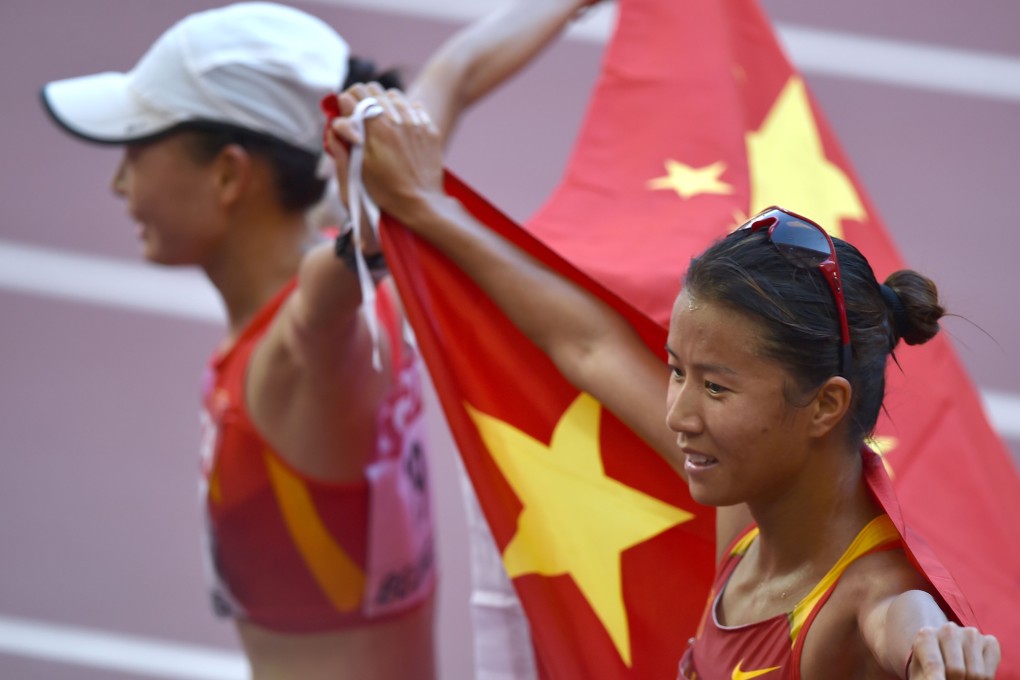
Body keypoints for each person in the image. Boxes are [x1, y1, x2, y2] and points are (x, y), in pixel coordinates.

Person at [326, 87, 1002, 679]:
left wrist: (939, 652)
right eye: (677, 371)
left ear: (826, 404)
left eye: (714, 387)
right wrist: (421, 206)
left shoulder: (869, 601)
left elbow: (912, 627)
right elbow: (585, 343)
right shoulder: (748, 509)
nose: (677, 412)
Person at [40, 1, 595, 678]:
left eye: (136, 149)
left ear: (228, 175)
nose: (118, 182)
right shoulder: (364, 262)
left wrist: (371, 229)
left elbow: (324, 294)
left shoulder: (304, 352)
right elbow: (457, 70)